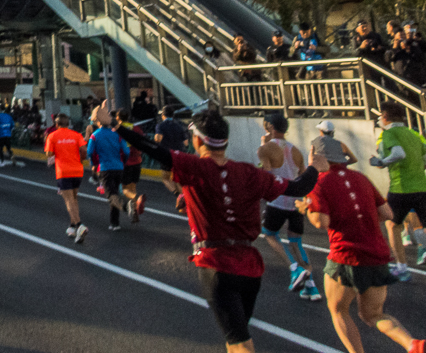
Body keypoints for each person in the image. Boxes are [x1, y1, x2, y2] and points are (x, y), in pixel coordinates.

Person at [104, 101, 324, 353]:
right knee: (236, 337)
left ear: (198, 141)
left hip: (216, 264)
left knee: (241, 343)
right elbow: (297, 188)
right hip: (250, 267)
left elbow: (153, 148)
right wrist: (316, 169)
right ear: (226, 141)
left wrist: (113, 125)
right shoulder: (251, 173)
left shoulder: (193, 166)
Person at [299, 134, 426, 353]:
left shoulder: (320, 183)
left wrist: (305, 209)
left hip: (345, 256)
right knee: (373, 314)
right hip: (376, 254)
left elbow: (321, 221)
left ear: (317, 156)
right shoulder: (361, 178)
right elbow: (386, 213)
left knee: (338, 310)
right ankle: (412, 344)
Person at [256, 112, 320, 300]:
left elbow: (266, 173)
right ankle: (311, 285)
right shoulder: (296, 150)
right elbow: (302, 175)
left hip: (277, 200)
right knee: (296, 242)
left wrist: (262, 146)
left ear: (269, 127)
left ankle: (294, 268)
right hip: (295, 201)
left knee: (269, 234)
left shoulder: (265, 149)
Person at [369, 101, 426, 277]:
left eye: (380, 116)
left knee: (393, 225)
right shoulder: (414, 134)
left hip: (400, 188)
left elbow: (398, 153)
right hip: (421, 186)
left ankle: (402, 267)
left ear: (385, 116)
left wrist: (382, 162)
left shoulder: (389, 134)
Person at [44, 112, 89, 243]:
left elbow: (49, 154)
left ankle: (79, 224)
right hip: (77, 170)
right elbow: (84, 150)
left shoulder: (52, 136)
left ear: (56, 124)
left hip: (63, 171)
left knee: (69, 200)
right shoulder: (76, 135)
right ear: (68, 124)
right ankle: (73, 227)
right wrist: (80, 159)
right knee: (74, 199)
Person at [87, 109, 131, 231]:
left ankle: (126, 206)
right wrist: (123, 161)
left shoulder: (95, 135)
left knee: (111, 195)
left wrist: (94, 164)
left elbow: (90, 152)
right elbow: (126, 151)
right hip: (119, 167)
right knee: (115, 193)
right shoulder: (117, 134)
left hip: (105, 168)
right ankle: (114, 223)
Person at [115, 109, 148, 223]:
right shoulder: (136, 128)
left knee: (124, 189)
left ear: (118, 117)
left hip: (124, 162)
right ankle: (134, 212)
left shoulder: (117, 129)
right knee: (133, 187)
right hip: (137, 161)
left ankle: (136, 201)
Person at [154, 104, 190, 207]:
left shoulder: (160, 126)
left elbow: (158, 139)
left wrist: (156, 140)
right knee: (177, 178)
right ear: (173, 115)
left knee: (165, 178)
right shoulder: (179, 126)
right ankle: (184, 198)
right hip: (179, 154)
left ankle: (178, 195)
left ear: (163, 115)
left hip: (167, 155)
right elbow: (186, 142)